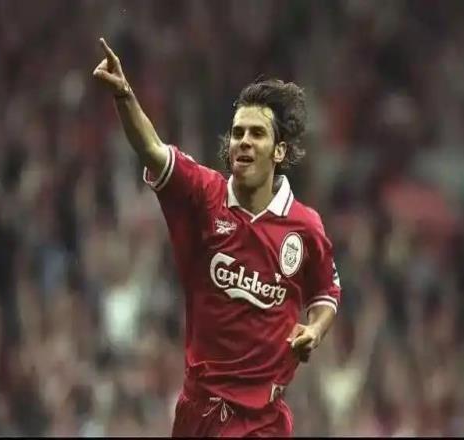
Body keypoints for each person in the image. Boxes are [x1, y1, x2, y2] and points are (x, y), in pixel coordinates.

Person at [93, 37, 342, 437]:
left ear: (279, 151)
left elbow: (326, 293)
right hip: (200, 412)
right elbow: (153, 150)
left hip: (263, 420)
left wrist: (314, 330)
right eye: (237, 132)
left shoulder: (305, 227)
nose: (244, 141)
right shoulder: (204, 196)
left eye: (257, 133)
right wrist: (124, 96)